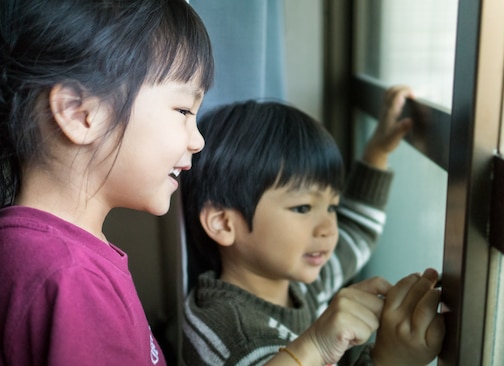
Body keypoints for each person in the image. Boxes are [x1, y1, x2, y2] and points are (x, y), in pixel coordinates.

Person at [0, 0, 214, 364]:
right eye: (182, 111)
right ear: (80, 113)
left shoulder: (37, 249)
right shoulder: (73, 278)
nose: (198, 140)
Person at [181, 86, 445, 365]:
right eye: (303, 208)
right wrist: (389, 359)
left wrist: (377, 153)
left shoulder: (303, 285)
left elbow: (356, 233)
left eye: (332, 207)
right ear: (223, 223)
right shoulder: (222, 331)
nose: (329, 228)